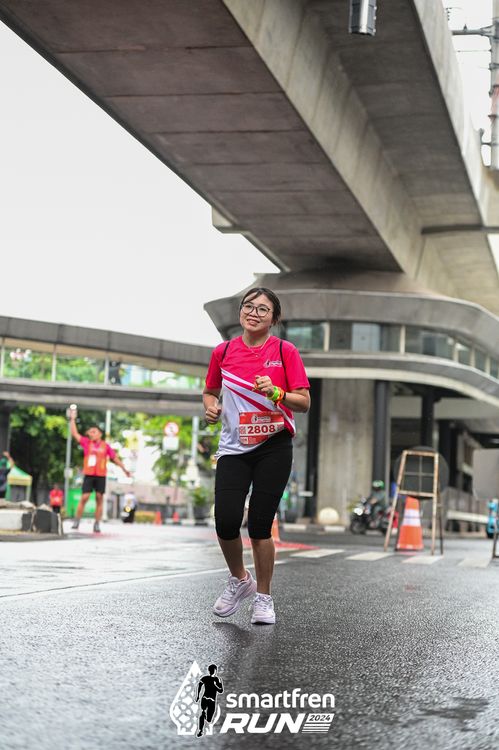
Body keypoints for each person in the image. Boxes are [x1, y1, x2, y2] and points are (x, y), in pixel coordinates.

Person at [203, 287, 310, 625]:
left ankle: (264, 597)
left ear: (273, 318)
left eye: (263, 309)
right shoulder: (223, 352)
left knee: (261, 526)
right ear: (240, 312)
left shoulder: (284, 351)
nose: (254, 313)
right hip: (234, 448)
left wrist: (277, 392)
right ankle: (240, 579)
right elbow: (210, 391)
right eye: (249, 306)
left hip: (273, 445)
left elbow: (304, 402)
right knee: (225, 520)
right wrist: (211, 407)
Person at [69, 415, 131, 533]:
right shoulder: (87, 443)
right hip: (89, 474)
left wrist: (125, 470)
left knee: (99, 498)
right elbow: (75, 433)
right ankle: (77, 521)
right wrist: (72, 419)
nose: (91, 434)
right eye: (90, 432)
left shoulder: (105, 446)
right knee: (84, 497)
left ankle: (97, 523)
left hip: (101, 476)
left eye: (94, 432)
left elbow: (115, 458)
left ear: (100, 434)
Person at [195, 664, 223, 738]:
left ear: (215, 671)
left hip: (211, 701)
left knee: (209, 719)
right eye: (211, 670)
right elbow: (199, 685)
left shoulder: (217, 679)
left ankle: (204, 718)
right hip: (206, 699)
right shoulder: (205, 678)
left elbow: (221, 690)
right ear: (209, 671)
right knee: (203, 712)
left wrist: (215, 685)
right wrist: (198, 696)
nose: (212, 672)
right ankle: (200, 730)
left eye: (213, 670)